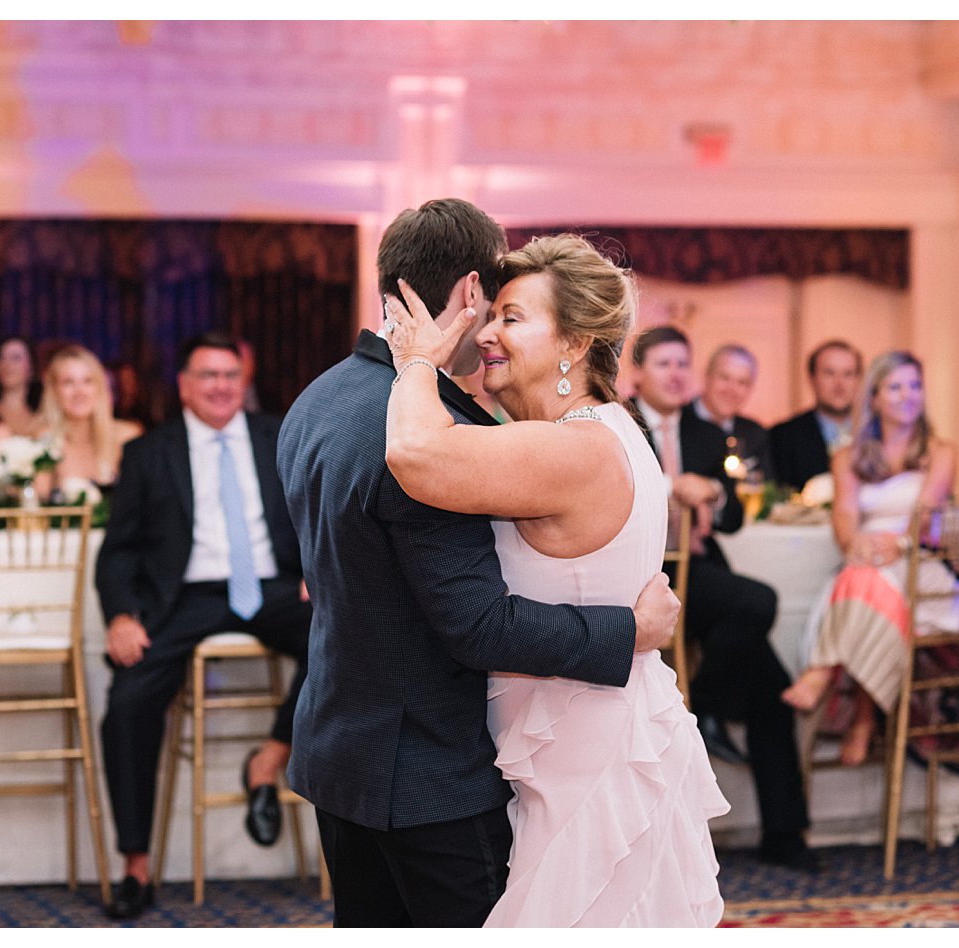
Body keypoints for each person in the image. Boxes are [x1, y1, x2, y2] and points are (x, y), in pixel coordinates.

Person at [277, 198, 679, 927]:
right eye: (492, 308)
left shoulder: (317, 400)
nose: (491, 330)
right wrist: (631, 631)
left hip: (354, 751)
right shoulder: (435, 429)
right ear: (467, 293)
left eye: (511, 317)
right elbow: (478, 625)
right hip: (432, 768)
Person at [382, 234, 728, 926]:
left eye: (511, 318)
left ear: (573, 344)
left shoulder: (577, 447)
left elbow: (415, 452)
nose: (488, 335)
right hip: (581, 745)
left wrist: (418, 361)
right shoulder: (600, 434)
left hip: (587, 766)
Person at [95, 333, 312, 920]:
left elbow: (316, 510)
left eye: (230, 375)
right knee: (128, 703)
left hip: (272, 588)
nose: (220, 386)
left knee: (348, 632)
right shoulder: (149, 452)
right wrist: (120, 616)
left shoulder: (278, 436)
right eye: (207, 376)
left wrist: (316, 569)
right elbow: (118, 551)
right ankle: (135, 866)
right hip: (184, 597)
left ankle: (268, 759)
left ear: (244, 383)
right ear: (184, 386)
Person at [630, 324, 815, 872]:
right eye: (664, 364)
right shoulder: (616, 420)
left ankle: (784, 835)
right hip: (639, 574)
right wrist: (672, 485)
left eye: (684, 364)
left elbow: (731, 517)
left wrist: (712, 490)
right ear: (638, 371)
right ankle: (706, 708)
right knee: (756, 603)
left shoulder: (706, 432)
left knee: (773, 684)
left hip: (701, 573)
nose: (676, 374)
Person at [781, 351, 959, 766]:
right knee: (864, 577)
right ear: (874, 397)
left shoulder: (940, 451)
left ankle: (823, 671)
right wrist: (854, 546)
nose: (908, 396)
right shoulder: (848, 456)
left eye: (915, 386)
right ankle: (864, 719)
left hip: (921, 565)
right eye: (896, 387)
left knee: (863, 581)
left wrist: (895, 546)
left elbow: (927, 514)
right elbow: (844, 516)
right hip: (869, 562)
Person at [26, 345, 144, 499]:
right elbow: (36, 503)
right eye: (68, 382)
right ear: (54, 391)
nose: (79, 392)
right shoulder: (44, 439)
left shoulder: (128, 436)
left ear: (100, 387)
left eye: (87, 381)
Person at [769, 340, 863, 492]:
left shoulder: (878, 432)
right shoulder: (783, 436)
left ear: (859, 379)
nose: (839, 384)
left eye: (848, 374)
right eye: (829, 373)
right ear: (812, 378)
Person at [693, 343, 774, 483]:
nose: (731, 389)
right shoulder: (676, 422)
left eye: (742, 382)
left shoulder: (755, 433)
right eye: (724, 378)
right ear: (706, 376)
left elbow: (766, 487)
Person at [0, 336, 44, 438]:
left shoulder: (45, 415)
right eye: (1, 358)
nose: (7, 364)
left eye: (16, 358)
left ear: (32, 368)